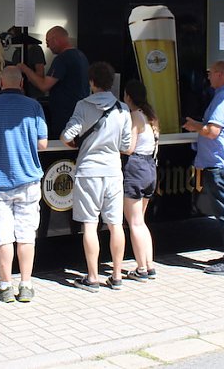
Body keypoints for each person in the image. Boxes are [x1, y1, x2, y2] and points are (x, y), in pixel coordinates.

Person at [0, 66, 48, 302]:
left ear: (1, 83)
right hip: (29, 180)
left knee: (3, 236)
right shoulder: (34, 106)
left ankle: (5, 286)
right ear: (22, 84)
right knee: (26, 234)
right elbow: (42, 144)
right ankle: (26, 285)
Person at [62, 61, 132, 291]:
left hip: (88, 172)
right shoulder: (123, 109)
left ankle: (92, 278)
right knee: (115, 225)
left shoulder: (83, 105)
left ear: (91, 82)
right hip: (113, 172)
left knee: (90, 225)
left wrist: (75, 143)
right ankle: (117, 276)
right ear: (111, 82)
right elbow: (126, 146)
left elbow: (67, 135)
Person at [183, 60, 224, 276]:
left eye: (210, 73)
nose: (208, 77)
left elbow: (212, 131)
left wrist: (194, 126)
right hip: (221, 162)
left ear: (219, 74)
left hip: (221, 163)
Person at [20, 25, 89, 139]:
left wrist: (25, 69)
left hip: (65, 114)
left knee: (63, 144)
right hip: (80, 113)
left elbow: (44, 85)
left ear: (56, 39)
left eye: (48, 42)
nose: (47, 46)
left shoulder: (62, 59)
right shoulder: (81, 56)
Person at [122, 79, 159, 282]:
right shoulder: (150, 115)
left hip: (135, 167)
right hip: (150, 168)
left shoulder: (135, 116)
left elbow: (129, 148)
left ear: (128, 96)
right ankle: (149, 264)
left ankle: (141, 268)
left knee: (134, 223)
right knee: (141, 221)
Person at [6, 26, 46, 99]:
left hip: (34, 93)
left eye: (12, 37)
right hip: (20, 93)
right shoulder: (16, 52)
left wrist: (26, 71)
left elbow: (40, 74)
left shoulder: (35, 49)